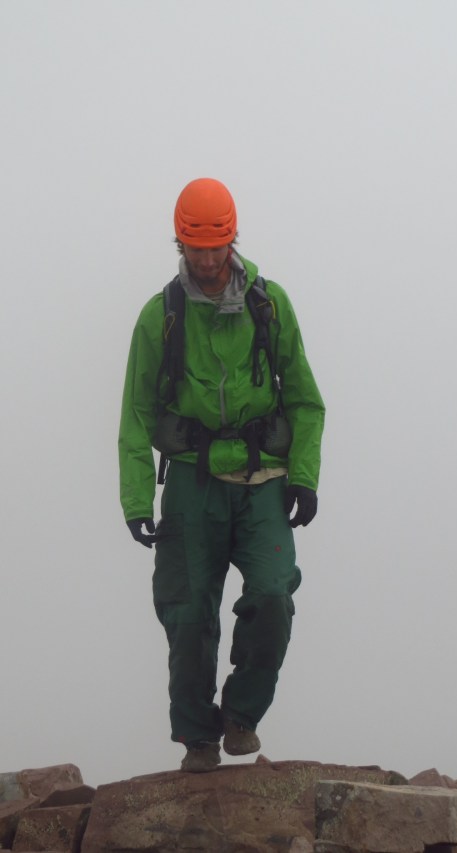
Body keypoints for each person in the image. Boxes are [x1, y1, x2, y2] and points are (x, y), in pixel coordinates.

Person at [118, 178, 325, 772]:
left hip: (262, 480)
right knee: (186, 615)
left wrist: (304, 475)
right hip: (190, 481)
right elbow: (135, 414)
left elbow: (306, 400)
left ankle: (240, 716)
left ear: (233, 240)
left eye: (217, 247)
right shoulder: (160, 317)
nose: (207, 261)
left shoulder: (269, 304)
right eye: (194, 248)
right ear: (178, 243)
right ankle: (198, 739)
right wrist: (136, 499)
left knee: (272, 595)